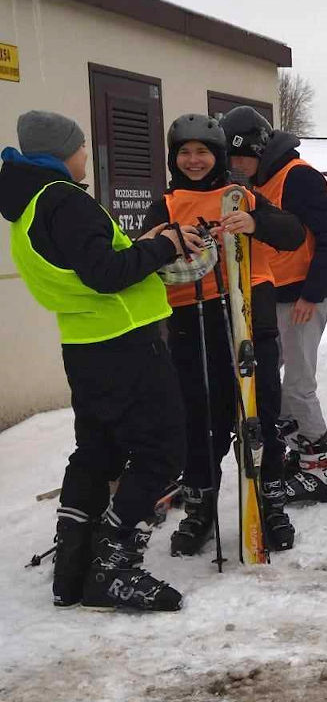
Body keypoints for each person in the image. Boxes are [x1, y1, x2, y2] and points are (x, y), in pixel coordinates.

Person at [1, 110, 204, 611]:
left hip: (87, 345)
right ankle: (112, 565)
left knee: (99, 452)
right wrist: (163, 245)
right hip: (126, 344)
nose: (86, 154)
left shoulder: (27, 208)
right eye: (82, 146)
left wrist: (143, 248)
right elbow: (105, 273)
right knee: (162, 452)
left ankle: (72, 570)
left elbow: (85, 269)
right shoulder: (64, 200)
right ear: (60, 151)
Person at [141, 114, 305, 554]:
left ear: (217, 155)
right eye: (185, 152)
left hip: (251, 312)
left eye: (203, 151)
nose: (194, 160)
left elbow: (292, 234)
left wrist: (255, 223)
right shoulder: (167, 204)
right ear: (175, 157)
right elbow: (143, 254)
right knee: (201, 420)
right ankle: (199, 508)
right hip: (191, 318)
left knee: (260, 414)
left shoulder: (242, 195)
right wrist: (164, 241)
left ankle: (270, 504)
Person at [218, 107, 327, 505]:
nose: (235, 166)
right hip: (273, 296)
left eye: (239, 157)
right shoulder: (263, 180)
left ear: (257, 148)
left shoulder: (298, 176)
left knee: (297, 387)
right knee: (270, 384)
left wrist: (313, 291)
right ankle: (301, 454)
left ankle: (322, 471)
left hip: (302, 299)